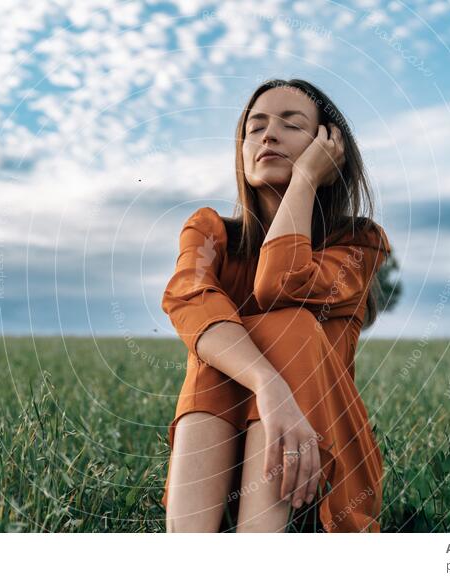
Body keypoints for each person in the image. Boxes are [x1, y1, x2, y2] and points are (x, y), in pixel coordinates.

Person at [160, 78, 392, 533]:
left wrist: (304, 180)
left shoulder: (357, 244)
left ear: (329, 148)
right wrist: (268, 384)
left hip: (326, 468)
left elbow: (280, 284)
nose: (268, 135)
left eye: (291, 125)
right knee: (216, 343)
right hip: (222, 469)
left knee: (289, 327)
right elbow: (189, 299)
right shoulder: (210, 232)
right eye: (256, 126)